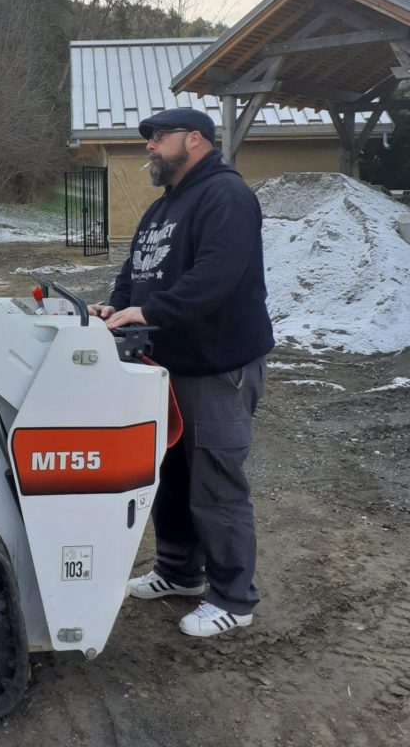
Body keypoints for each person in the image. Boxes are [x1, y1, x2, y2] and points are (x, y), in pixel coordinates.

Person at [89, 107, 273, 638]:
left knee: (215, 482)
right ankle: (178, 572)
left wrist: (149, 313)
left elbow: (217, 276)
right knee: (170, 476)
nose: (147, 145)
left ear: (194, 140)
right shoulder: (162, 208)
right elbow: (135, 274)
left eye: (157, 137)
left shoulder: (227, 197)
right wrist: (115, 308)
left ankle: (235, 598)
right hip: (166, 367)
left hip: (216, 367)